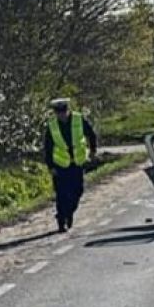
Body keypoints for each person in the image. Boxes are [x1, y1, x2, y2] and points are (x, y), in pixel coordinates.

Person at [43, 98, 97, 233]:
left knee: (77, 191)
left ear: (68, 110)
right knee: (61, 194)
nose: (62, 115)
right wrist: (51, 166)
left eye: (63, 112)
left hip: (77, 163)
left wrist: (92, 151)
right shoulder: (52, 125)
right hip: (60, 165)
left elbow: (91, 134)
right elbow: (48, 147)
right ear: (55, 113)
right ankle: (61, 220)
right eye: (58, 113)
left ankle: (69, 213)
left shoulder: (79, 119)